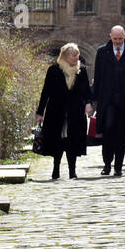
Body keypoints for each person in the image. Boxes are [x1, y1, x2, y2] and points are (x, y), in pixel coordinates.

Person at [90, 25, 125, 176]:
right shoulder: (102, 52)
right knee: (108, 130)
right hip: (107, 100)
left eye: (120, 39)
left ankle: (118, 167)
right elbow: (98, 77)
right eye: (115, 39)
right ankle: (107, 164)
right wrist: (93, 101)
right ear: (110, 37)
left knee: (122, 133)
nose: (118, 42)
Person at [35, 43, 92, 179]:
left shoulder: (81, 71)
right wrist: (40, 112)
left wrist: (88, 103)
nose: (76, 57)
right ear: (65, 56)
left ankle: (72, 171)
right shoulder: (54, 70)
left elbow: (86, 91)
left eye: (77, 55)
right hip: (56, 110)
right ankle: (56, 169)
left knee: (73, 141)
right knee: (57, 141)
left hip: (75, 111)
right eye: (73, 55)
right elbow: (46, 92)